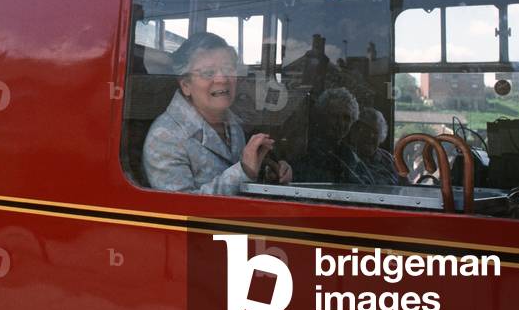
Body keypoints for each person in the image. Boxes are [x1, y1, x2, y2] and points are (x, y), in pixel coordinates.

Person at [143, 32, 292, 195]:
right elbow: (181, 211)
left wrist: (266, 172)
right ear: (186, 85)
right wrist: (244, 171)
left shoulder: (231, 121)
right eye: (208, 73)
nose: (222, 79)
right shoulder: (165, 138)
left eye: (228, 69)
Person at [292, 87, 368, 184]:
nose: (340, 123)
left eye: (346, 118)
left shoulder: (349, 153)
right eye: (334, 116)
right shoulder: (306, 150)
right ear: (322, 117)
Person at [348, 107, 400, 186]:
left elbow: (404, 184)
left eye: (375, 132)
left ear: (381, 136)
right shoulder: (349, 158)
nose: (370, 136)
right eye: (366, 130)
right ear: (355, 133)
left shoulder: (387, 158)